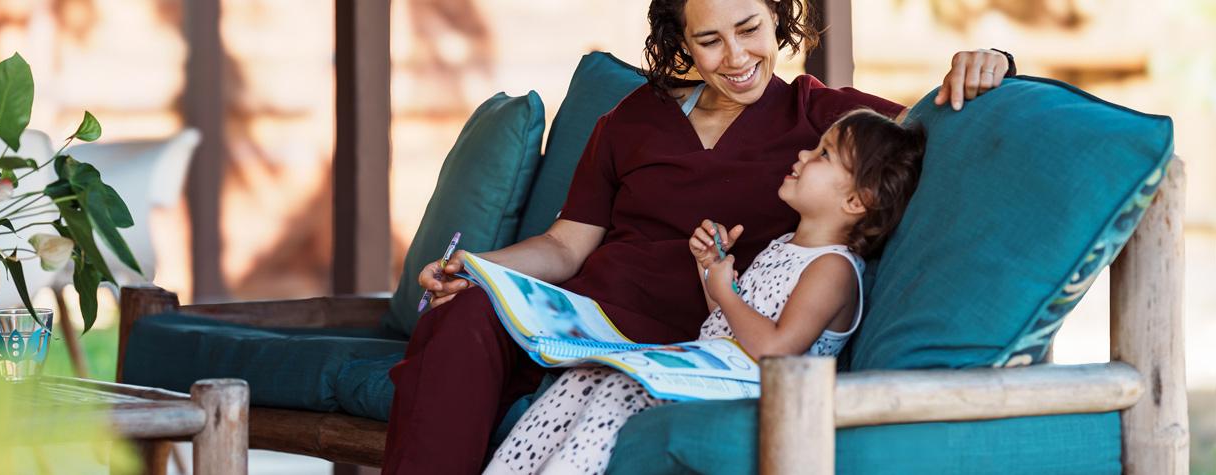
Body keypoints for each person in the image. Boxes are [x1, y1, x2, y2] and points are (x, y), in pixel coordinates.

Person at [382, 0, 1013, 471]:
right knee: (461, 311)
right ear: (680, 41)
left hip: (696, 335)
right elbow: (566, 245)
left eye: (750, 30)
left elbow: (923, 134)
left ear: (778, 19)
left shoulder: (823, 118)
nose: (736, 58)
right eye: (709, 40)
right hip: (585, 315)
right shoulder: (629, 118)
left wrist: (996, 61)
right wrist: (479, 267)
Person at [484, 109, 925, 474]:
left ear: (856, 201)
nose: (804, 154)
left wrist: (725, 293)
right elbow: (726, 323)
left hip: (755, 393)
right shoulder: (786, 245)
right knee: (583, 376)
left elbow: (777, 350)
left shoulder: (832, 268)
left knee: (619, 392)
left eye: (824, 154)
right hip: (716, 371)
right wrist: (711, 270)